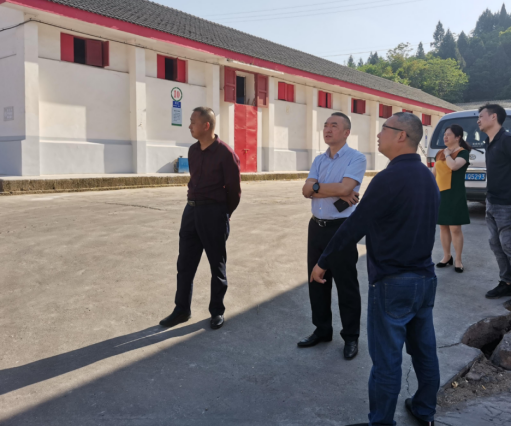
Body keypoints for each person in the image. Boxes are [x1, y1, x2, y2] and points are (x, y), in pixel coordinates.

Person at [311, 112, 440, 426]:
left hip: (393, 282)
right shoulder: (427, 176)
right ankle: (424, 410)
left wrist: (323, 261)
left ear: (401, 136)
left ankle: (381, 422)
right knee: (424, 352)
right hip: (424, 280)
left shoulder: (388, 178)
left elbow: (354, 225)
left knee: (386, 360)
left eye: (384, 129)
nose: (379, 135)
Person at [159, 107, 241, 330]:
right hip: (191, 212)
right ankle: (181, 310)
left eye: (193, 122)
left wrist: (223, 214)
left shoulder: (226, 154)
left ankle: (217, 311)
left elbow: (234, 192)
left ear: (206, 125)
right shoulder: (193, 151)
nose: (189, 126)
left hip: (214, 214)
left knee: (217, 266)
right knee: (184, 264)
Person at [300, 112, 367, 360]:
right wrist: (329, 190)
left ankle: (351, 337)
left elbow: (346, 188)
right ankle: (322, 329)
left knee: (346, 284)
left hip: (341, 228)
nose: (327, 129)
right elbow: (306, 190)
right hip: (316, 226)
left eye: (334, 126)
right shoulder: (319, 159)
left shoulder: (356, 158)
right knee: (316, 280)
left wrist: (319, 188)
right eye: (326, 125)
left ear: (346, 132)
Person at [478, 104, 511, 299]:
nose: (478, 120)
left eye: (481, 116)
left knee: (508, 245)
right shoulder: (487, 141)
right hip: (491, 201)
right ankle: (506, 282)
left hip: (507, 203)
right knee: (496, 245)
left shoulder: (507, 140)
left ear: (494, 117)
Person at [433, 124, 471, 273]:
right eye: (444, 134)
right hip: (441, 193)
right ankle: (446, 256)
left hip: (455, 194)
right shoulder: (440, 153)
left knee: (455, 228)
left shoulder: (463, 153)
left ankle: (458, 260)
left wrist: (448, 154)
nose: (445, 137)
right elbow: (434, 173)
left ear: (458, 137)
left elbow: (454, 166)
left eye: (448, 134)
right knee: (443, 226)